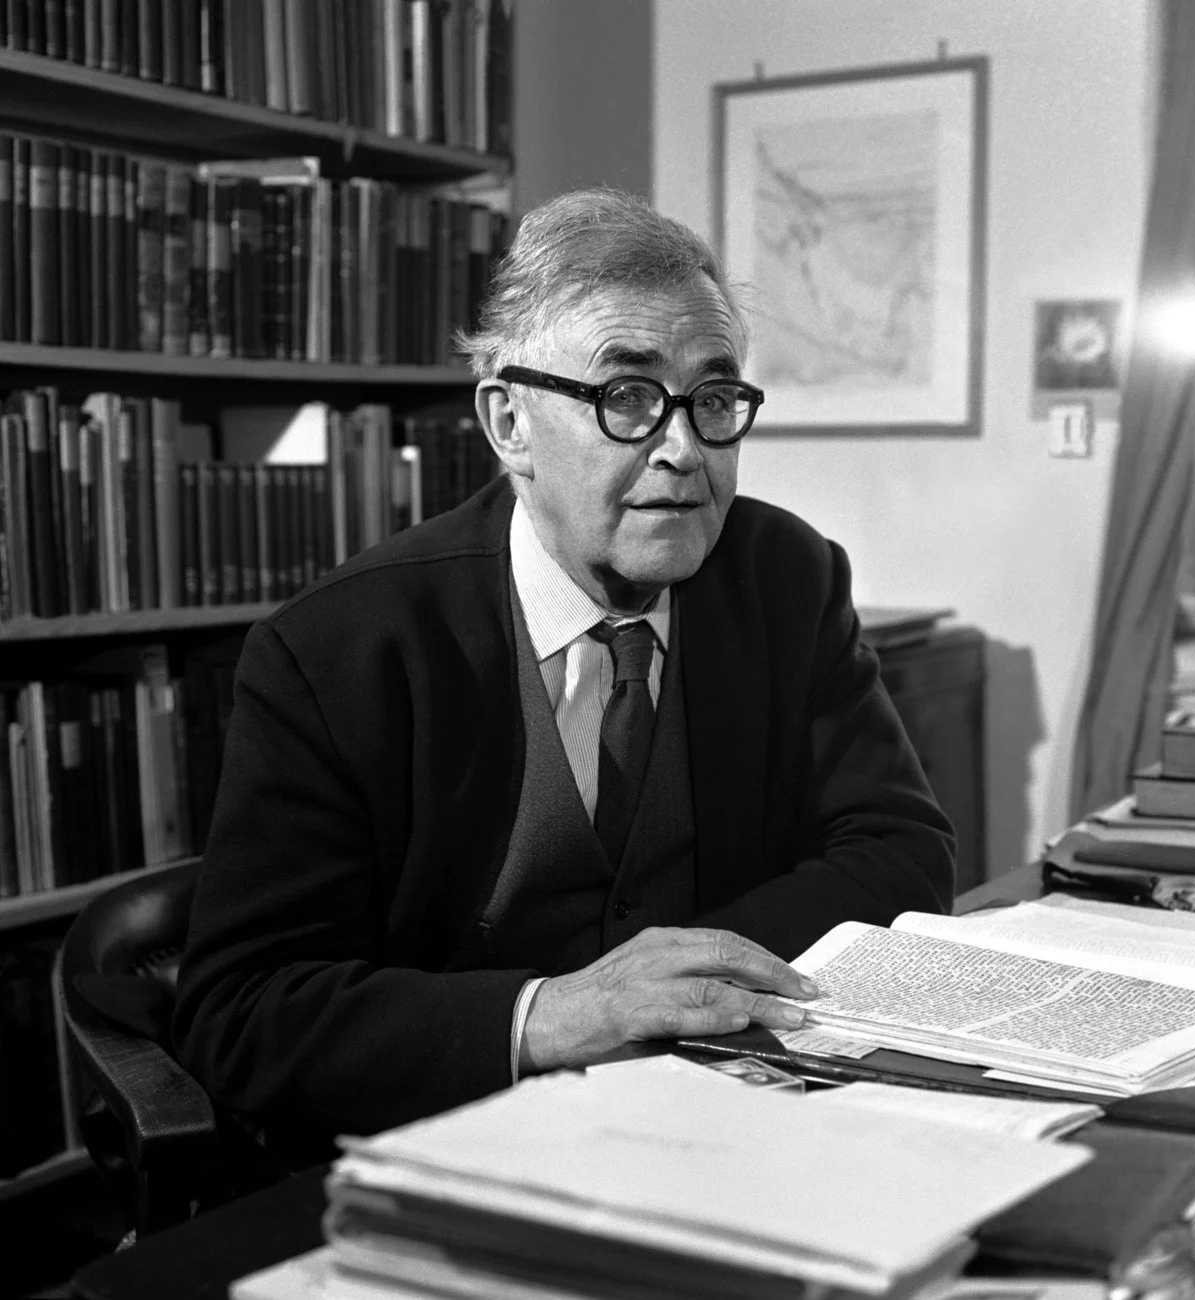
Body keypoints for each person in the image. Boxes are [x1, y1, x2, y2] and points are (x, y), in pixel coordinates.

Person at [171, 188, 955, 1155]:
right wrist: (556, 1013)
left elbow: (903, 849)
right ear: (510, 423)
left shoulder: (786, 577)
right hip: (452, 1138)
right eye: (626, 397)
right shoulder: (339, 648)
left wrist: (683, 986)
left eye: (713, 400)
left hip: (725, 1113)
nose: (684, 450)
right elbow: (242, 1011)